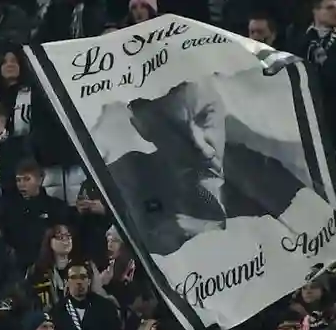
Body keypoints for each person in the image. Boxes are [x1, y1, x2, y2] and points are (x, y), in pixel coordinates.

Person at [106, 78, 312, 257]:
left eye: (205, 118)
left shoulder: (258, 167)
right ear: (142, 128)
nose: (201, 146)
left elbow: (308, 225)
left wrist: (209, 228)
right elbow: (142, 242)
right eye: (177, 131)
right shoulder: (132, 176)